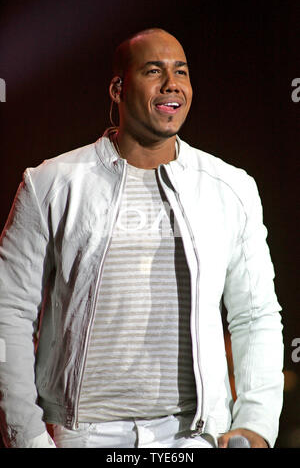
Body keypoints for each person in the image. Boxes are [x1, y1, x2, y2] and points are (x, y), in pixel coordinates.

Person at [0, 28, 284, 449]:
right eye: (154, 70)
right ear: (118, 87)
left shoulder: (232, 188)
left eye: (181, 72)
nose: (172, 84)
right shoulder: (51, 184)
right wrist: (28, 437)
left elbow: (255, 313)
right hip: (82, 434)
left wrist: (257, 422)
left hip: (195, 435)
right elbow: (9, 312)